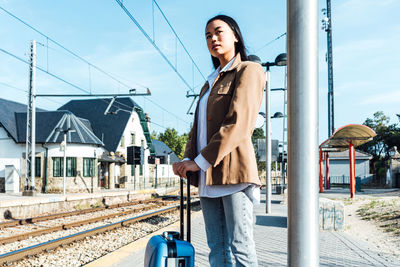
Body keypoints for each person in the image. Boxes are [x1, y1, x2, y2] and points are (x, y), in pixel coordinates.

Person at [173, 14, 265, 267]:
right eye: (207, 35)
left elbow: (239, 124)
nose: (213, 38)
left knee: (241, 246)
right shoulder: (209, 82)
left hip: (234, 173)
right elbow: (197, 129)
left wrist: (200, 161)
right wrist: (186, 159)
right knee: (216, 248)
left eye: (219, 32)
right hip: (208, 175)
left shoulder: (249, 70)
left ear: (235, 35)